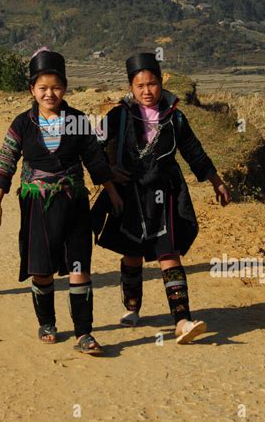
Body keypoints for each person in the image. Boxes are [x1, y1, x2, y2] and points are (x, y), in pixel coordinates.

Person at [0, 48, 123, 354]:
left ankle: (84, 333)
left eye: (56, 88)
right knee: (41, 267)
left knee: (79, 265)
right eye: (43, 88)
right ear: (32, 90)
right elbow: (6, 160)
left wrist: (112, 192)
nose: (50, 94)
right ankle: (47, 322)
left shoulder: (77, 121)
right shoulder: (23, 124)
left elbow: (95, 161)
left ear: (65, 88)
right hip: (36, 205)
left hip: (74, 201)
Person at [91, 52, 230, 343]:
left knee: (169, 253)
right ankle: (132, 308)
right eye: (139, 85)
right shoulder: (118, 116)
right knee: (132, 254)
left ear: (160, 82)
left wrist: (216, 181)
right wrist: (110, 172)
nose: (146, 91)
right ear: (131, 87)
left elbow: (194, 151)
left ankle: (182, 320)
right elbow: (94, 148)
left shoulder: (175, 117)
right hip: (130, 196)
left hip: (164, 195)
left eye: (152, 84)